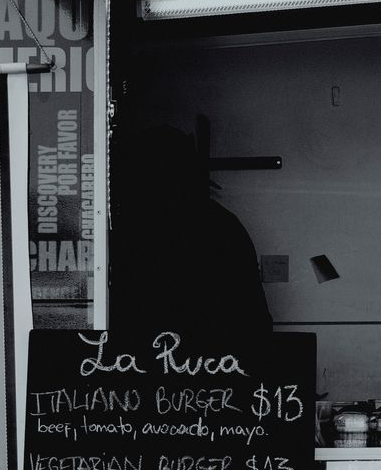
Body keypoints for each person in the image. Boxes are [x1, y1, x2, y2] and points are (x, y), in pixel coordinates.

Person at [109, 116, 273, 353]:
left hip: (155, 355)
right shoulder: (222, 224)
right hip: (213, 356)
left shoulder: (132, 226)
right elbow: (253, 315)